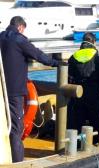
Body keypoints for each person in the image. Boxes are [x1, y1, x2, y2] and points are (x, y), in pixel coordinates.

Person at [0, 16, 59, 162]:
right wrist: (56, 63)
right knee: (15, 127)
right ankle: (18, 161)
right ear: (21, 27)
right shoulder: (19, 39)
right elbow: (38, 55)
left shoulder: (1, 37)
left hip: (2, 89)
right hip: (15, 91)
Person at [67, 32, 99, 143]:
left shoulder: (74, 56)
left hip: (78, 92)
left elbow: (69, 76)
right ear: (93, 42)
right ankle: (97, 141)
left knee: (78, 119)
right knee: (95, 119)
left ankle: (76, 143)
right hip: (93, 91)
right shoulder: (97, 56)